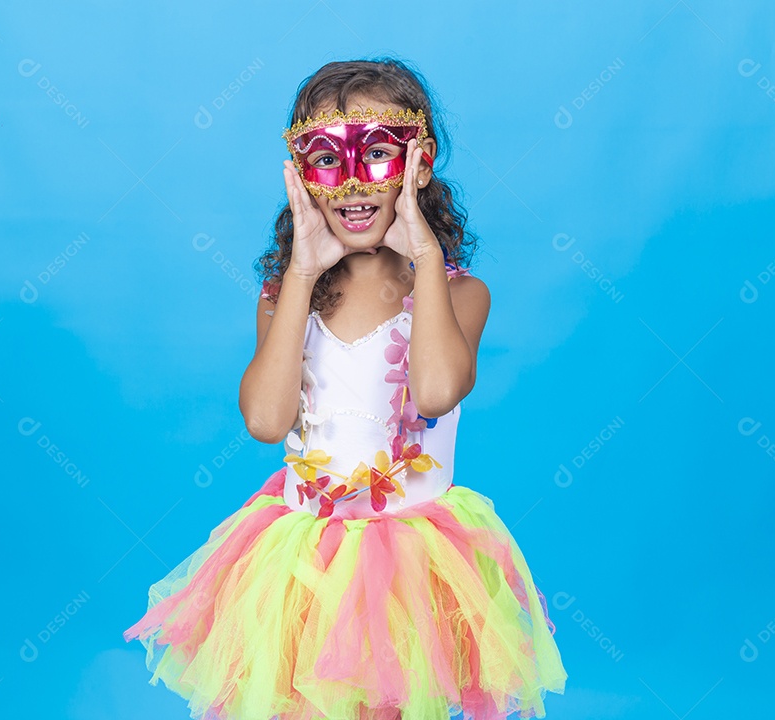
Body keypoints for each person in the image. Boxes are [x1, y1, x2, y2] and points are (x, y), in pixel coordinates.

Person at [123, 57, 568, 720]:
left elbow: (439, 389)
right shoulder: (283, 300)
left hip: (409, 561)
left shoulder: (458, 294)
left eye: (378, 154)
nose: (354, 183)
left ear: (419, 163)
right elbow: (267, 423)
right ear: (303, 176)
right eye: (329, 159)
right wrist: (300, 274)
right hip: (297, 562)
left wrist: (420, 255)